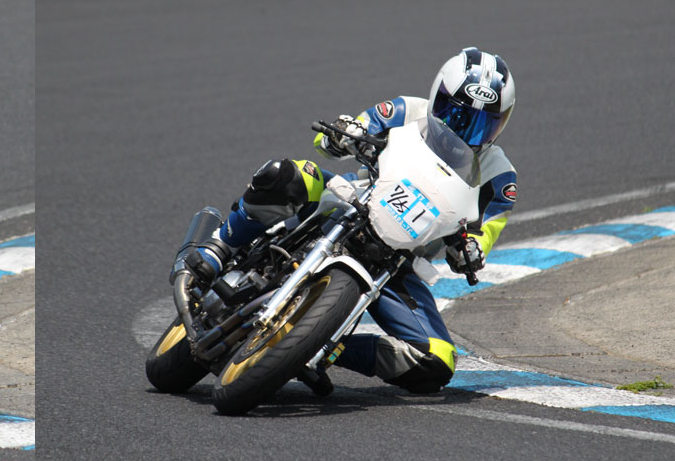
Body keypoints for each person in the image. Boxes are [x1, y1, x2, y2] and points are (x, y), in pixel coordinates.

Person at [189, 48, 517, 395]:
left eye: (484, 124)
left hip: (399, 260)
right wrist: (342, 134)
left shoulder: (500, 177)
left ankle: (321, 346)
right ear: (438, 97)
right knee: (284, 174)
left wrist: (470, 250)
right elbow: (339, 136)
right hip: (352, 200)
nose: (465, 129)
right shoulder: (407, 110)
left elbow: (483, 233)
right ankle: (220, 246)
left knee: (437, 361)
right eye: (457, 113)